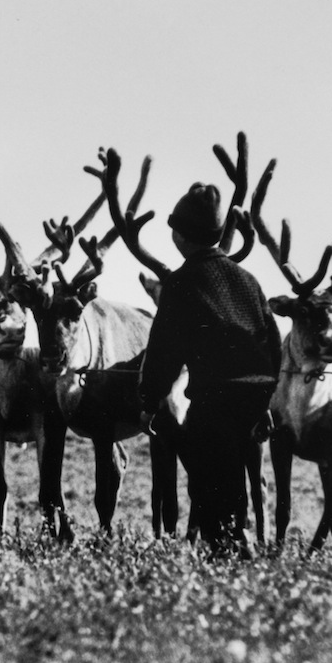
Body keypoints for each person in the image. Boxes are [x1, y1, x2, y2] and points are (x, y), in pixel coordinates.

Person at [137, 183, 282, 556]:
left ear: (180, 235)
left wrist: (150, 399)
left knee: (208, 483)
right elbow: (272, 343)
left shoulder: (181, 283)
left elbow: (163, 352)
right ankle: (237, 542)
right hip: (253, 399)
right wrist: (266, 399)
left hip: (214, 400)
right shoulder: (247, 280)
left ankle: (232, 555)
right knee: (230, 479)